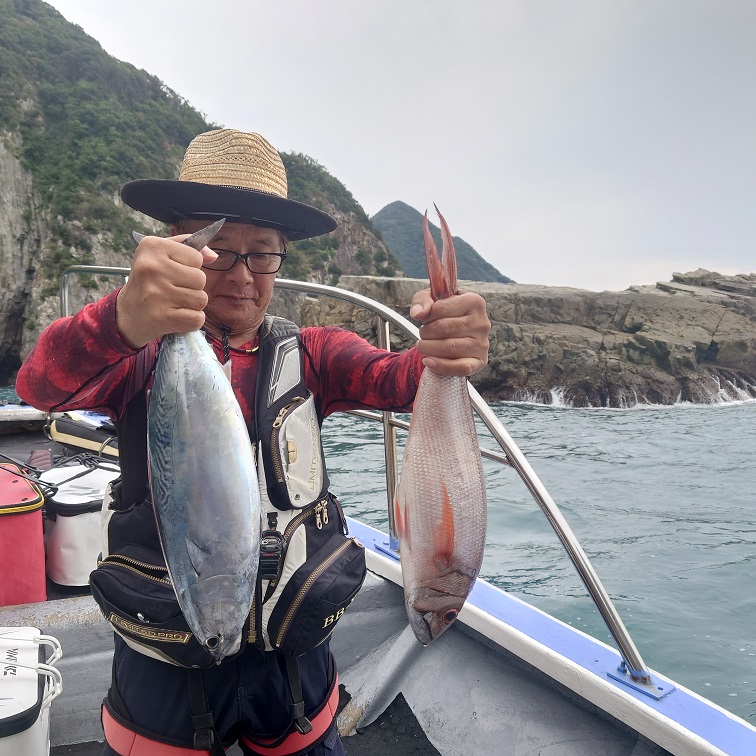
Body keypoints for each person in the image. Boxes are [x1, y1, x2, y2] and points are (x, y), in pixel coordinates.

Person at [16, 128, 491, 756]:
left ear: (280, 256)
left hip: (291, 662)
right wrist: (122, 319)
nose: (241, 275)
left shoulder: (314, 354)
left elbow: (397, 379)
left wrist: (446, 349)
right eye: (219, 251)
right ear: (181, 246)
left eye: (262, 254)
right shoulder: (136, 354)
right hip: (169, 655)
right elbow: (41, 385)